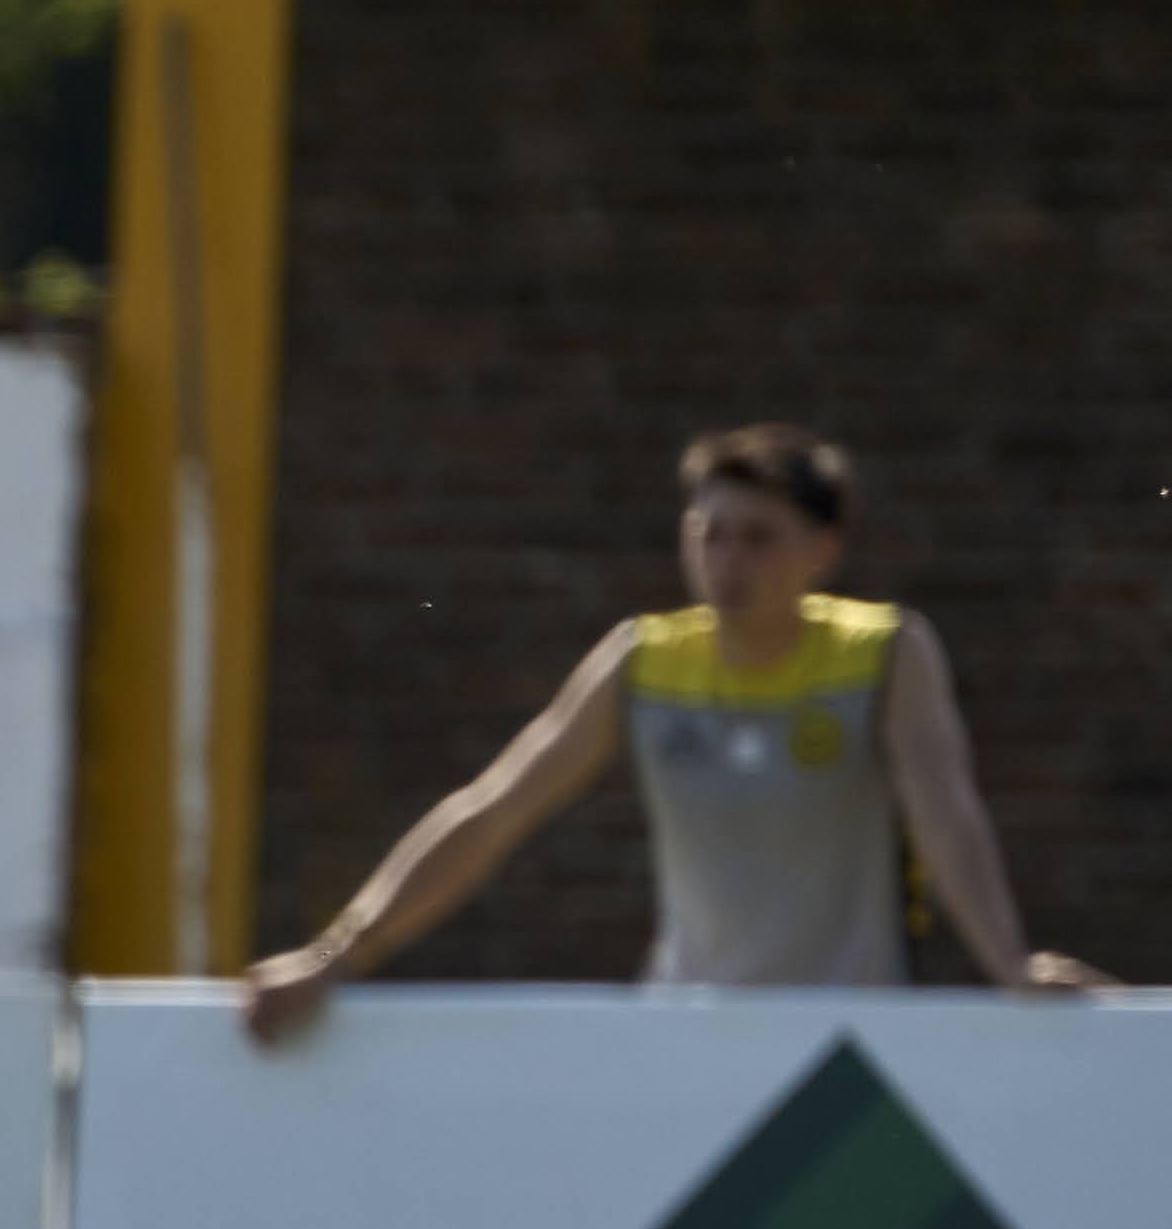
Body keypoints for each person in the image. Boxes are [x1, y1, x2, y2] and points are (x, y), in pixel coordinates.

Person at [242, 424, 1106, 1041]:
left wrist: (1008, 963)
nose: (727, 563)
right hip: (685, 1039)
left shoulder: (884, 653)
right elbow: (494, 810)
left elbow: (944, 813)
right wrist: (333, 959)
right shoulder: (642, 661)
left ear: (823, 550)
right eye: (709, 535)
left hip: (851, 1039)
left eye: (759, 539)